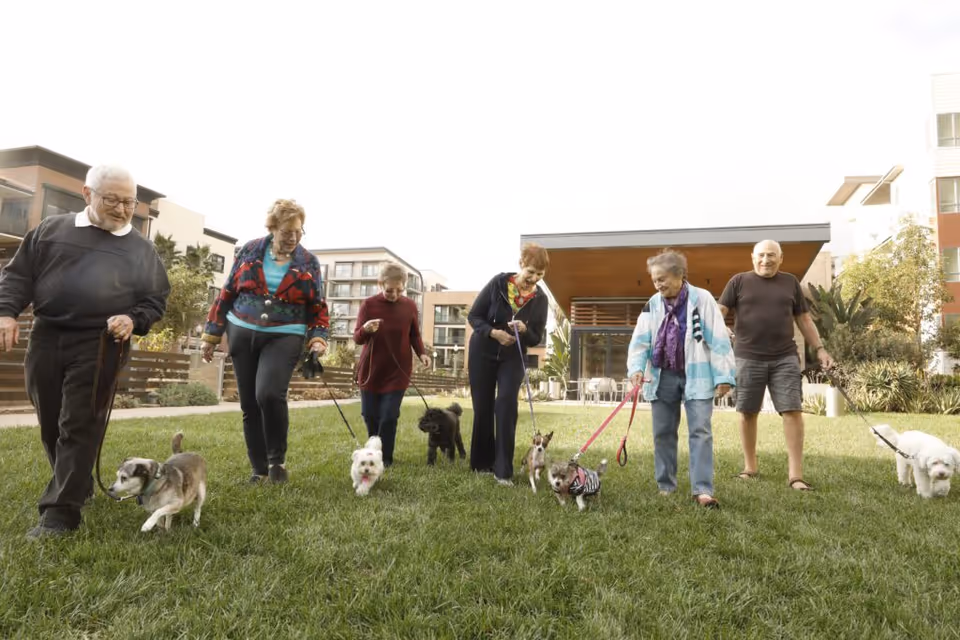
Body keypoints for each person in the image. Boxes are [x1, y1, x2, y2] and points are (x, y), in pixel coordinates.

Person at [0, 164, 170, 539]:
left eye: (130, 202)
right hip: (47, 335)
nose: (123, 209)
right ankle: (77, 484)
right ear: (87, 194)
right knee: (50, 420)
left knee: (79, 422)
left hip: (101, 342)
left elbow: (155, 299)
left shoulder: (140, 250)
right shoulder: (50, 231)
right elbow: (18, 276)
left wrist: (132, 317)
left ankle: (60, 515)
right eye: (112, 199)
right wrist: (7, 313)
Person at [201, 199, 329, 485]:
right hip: (242, 330)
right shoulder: (250, 249)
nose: (293, 238)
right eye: (286, 232)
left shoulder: (309, 262)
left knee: (269, 394)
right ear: (273, 228)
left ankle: (276, 462)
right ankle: (258, 469)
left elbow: (318, 305)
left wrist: (319, 336)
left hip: (286, 333)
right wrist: (212, 334)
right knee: (249, 403)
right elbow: (228, 292)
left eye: (298, 231)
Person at [718, 239, 834, 491]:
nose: (765, 260)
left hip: (784, 357)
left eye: (771, 255)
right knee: (747, 411)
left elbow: (804, 318)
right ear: (752, 257)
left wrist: (821, 349)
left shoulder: (790, 282)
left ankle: (796, 475)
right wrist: (720, 328)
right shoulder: (738, 281)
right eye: (761, 255)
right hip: (747, 357)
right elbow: (720, 310)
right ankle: (750, 467)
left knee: (792, 410)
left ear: (781, 258)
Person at [627, 250, 734, 508]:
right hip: (662, 375)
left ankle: (702, 490)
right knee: (663, 432)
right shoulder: (652, 304)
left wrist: (724, 376)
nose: (659, 284)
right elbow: (640, 341)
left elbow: (718, 339)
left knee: (700, 431)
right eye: (655, 280)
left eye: (663, 279)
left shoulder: (702, 299)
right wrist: (636, 369)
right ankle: (666, 484)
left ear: (680, 275)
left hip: (697, 375)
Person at [467, 242, 550, 485]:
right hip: (483, 350)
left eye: (540, 275)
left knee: (505, 404)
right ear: (521, 265)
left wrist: (525, 330)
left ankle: (502, 470)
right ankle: (481, 463)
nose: (534, 279)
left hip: (513, 356)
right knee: (482, 407)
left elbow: (537, 336)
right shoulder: (498, 283)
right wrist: (493, 332)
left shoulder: (540, 298)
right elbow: (475, 316)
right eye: (531, 272)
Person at [353, 262, 430, 466]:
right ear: (380, 284)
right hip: (371, 370)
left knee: (388, 416)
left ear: (404, 286)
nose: (394, 294)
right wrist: (367, 329)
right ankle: (373, 452)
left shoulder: (410, 306)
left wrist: (422, 353)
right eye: (389, 290)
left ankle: (385, 459)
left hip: (399, 371)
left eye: (399, 290)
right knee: (370, 415)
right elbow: (357, 338)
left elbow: (414, 335)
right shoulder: (368, 305)